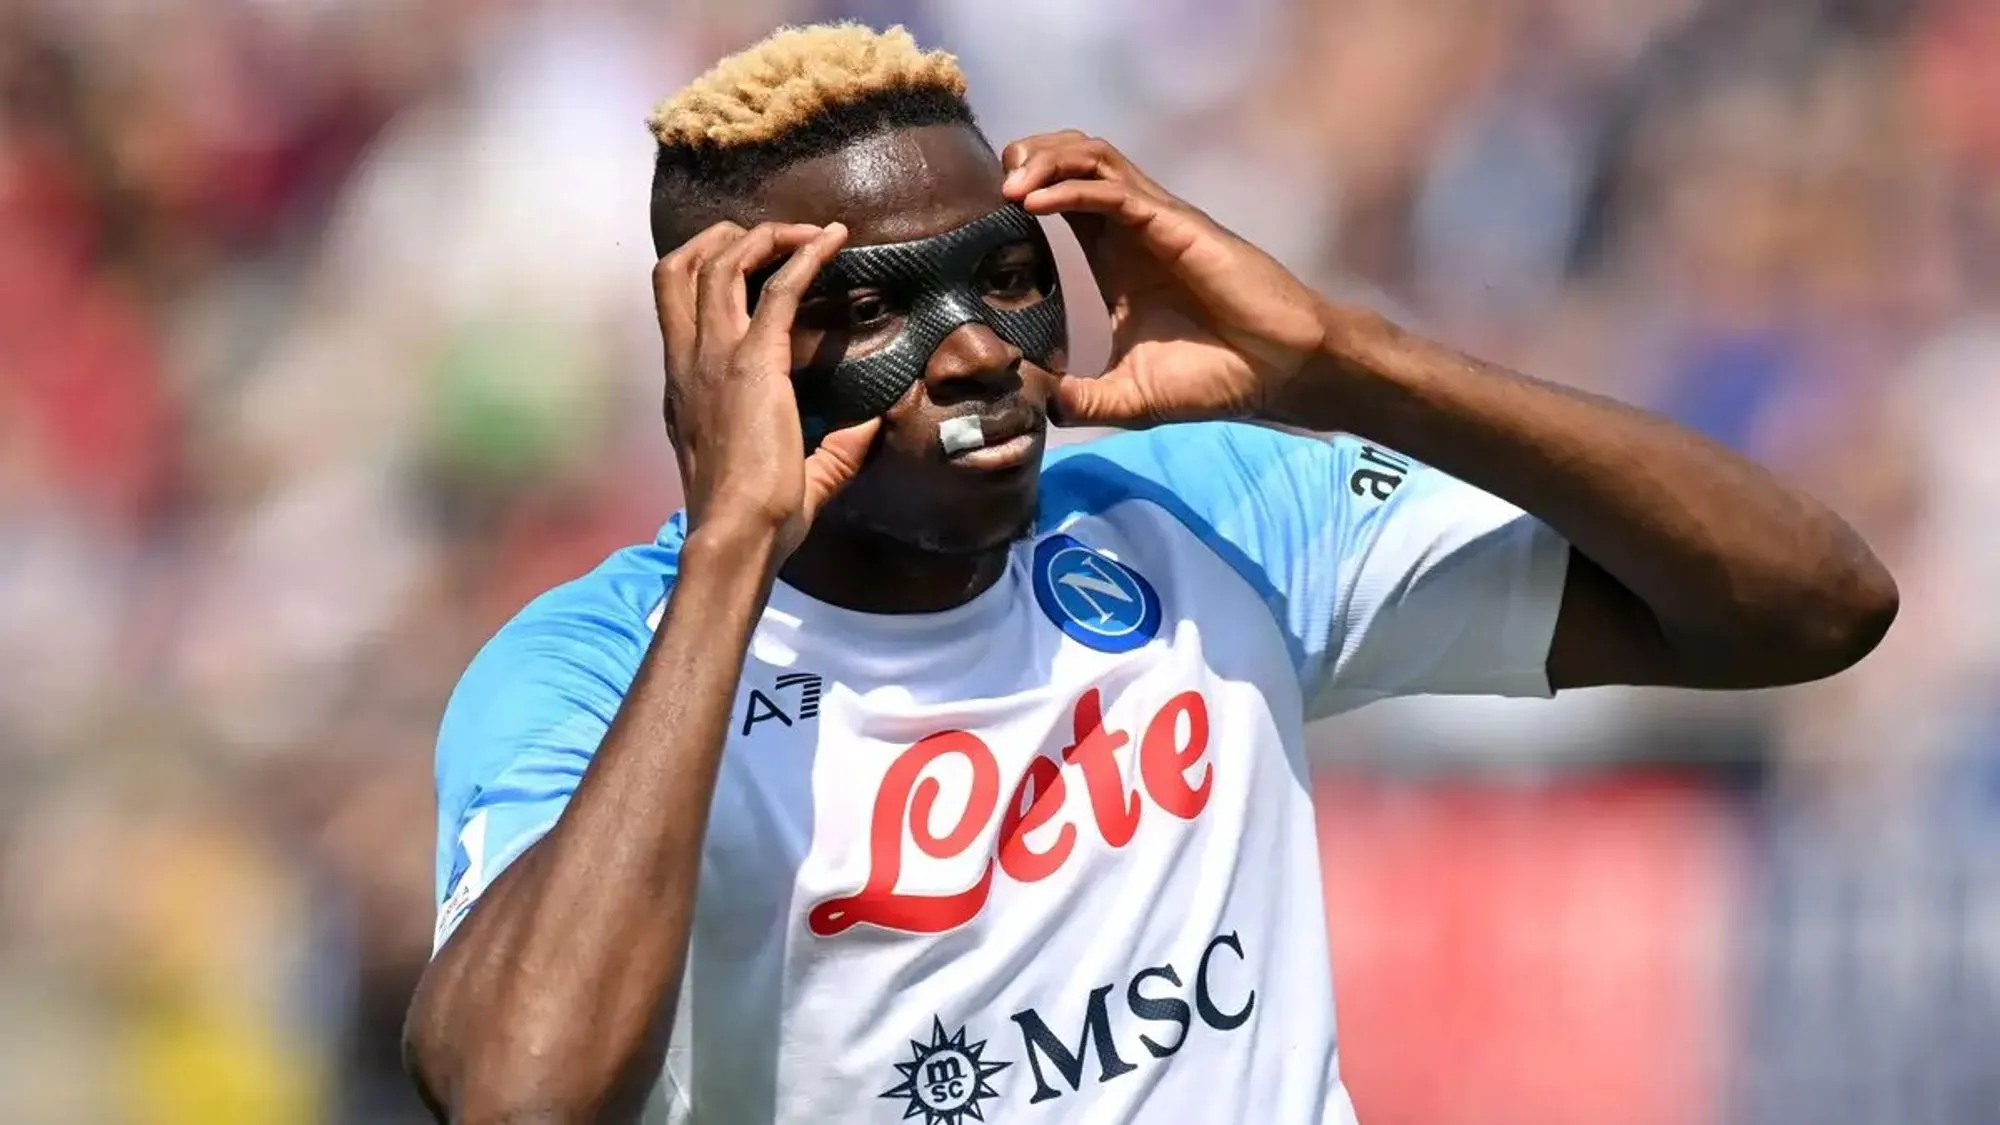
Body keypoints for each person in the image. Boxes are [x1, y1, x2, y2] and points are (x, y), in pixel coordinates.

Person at [402, 22, 1897, 1125]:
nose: (980, 346)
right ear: (725, 364)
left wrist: (1344, 361)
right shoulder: (597, 668)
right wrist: (734, 545)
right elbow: (520, 1098)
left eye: (1001, 273)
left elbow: (1812, 604)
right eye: (875, 306)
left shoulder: (1198, 512)